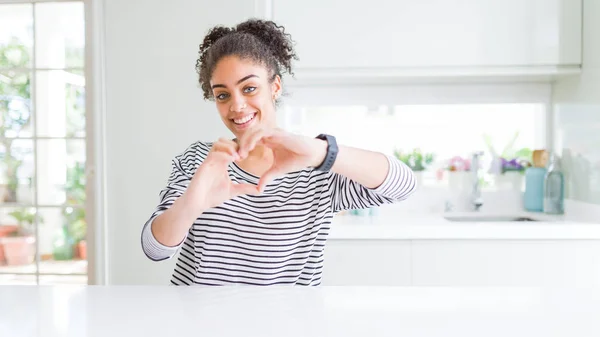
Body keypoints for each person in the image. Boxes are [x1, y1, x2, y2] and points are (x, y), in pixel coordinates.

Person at [141, 19, 417, 286]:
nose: (237, 106)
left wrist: (321, 152)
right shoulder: (200, 160)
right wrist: (194, 202)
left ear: (275, 86)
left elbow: (403, 185)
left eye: (249, 88)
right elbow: (155, 250)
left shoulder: (315, 166)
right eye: (223, 95)